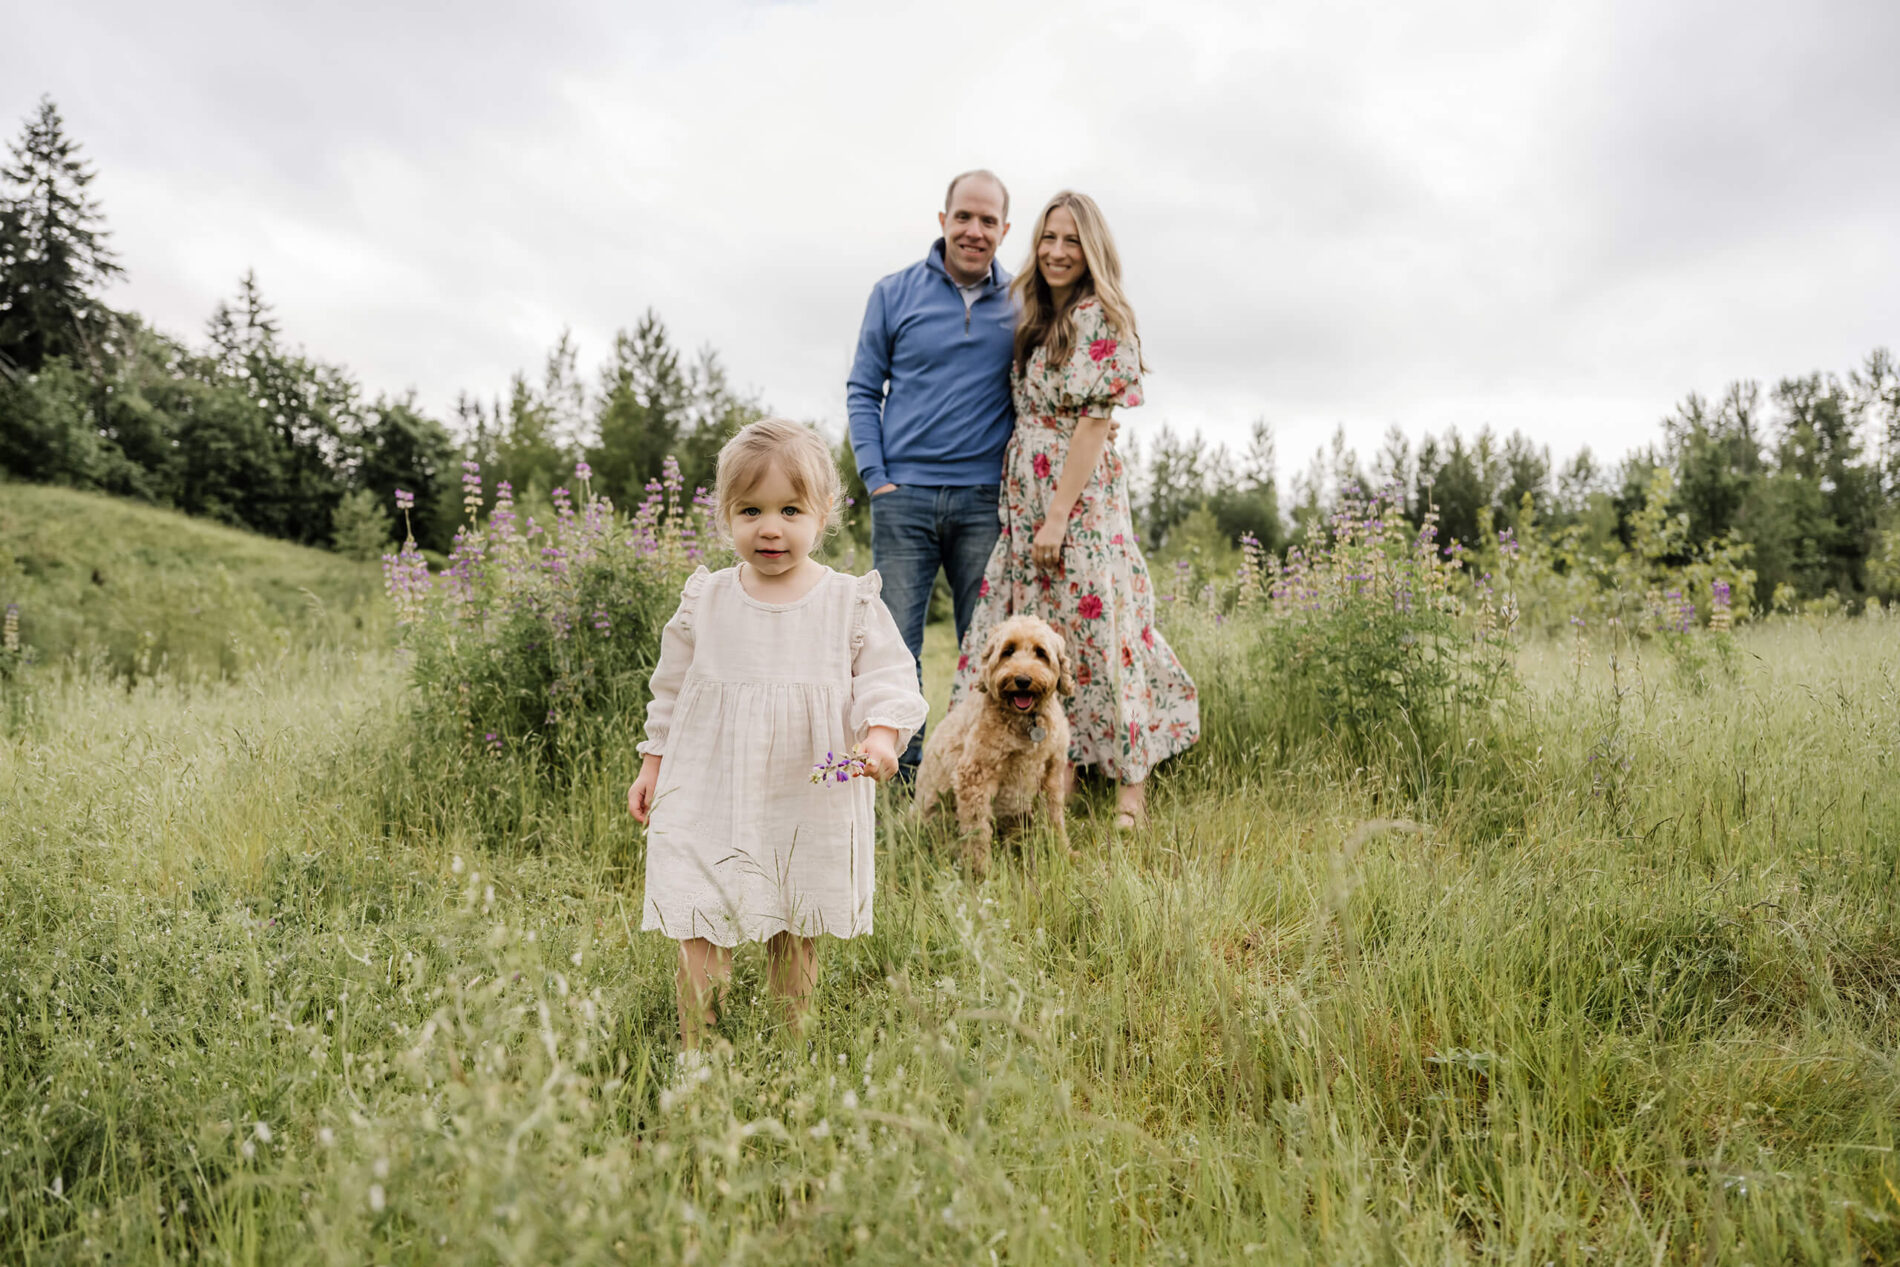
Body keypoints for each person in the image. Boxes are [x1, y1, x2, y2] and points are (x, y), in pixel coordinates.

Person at [627, 418, 928, 1048]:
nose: (770, 527)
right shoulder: (706, 598)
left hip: (806, 783)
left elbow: (889, 674)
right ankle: (698, 1043)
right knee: (702, 909)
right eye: (750, 510)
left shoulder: (847, 602)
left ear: (823, 515)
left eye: (790, 509)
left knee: (797, 911)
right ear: (725, 516)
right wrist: (653, 763)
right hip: (709, 783)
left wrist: (878, 736)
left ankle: (793, 1039)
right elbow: (671, 689)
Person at [948, 191, 1199, 832]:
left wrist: (1057, 515)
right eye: (1048, 238)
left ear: (1092, 251)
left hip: (1075, 501)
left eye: (1072, 241)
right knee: (1040, 630)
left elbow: (1093, 423)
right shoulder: (1034, 316)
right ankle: (1051, 774)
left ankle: (1129, 793)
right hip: (1025, 498)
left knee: (1103, 635)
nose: (1057, 251)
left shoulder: (1100, 316)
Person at [846, 169, 1017, 779]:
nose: (975, 231)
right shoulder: (892, 293)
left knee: (985, 647)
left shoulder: (1022, 303)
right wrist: (876, 478)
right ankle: (903, 774)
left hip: (984, 502)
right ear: (943, 220)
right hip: (904, 498)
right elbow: (864, 390)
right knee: (895, 646)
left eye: (988, 221)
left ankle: (974, 767)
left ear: (1003, 229)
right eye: (964, 217)